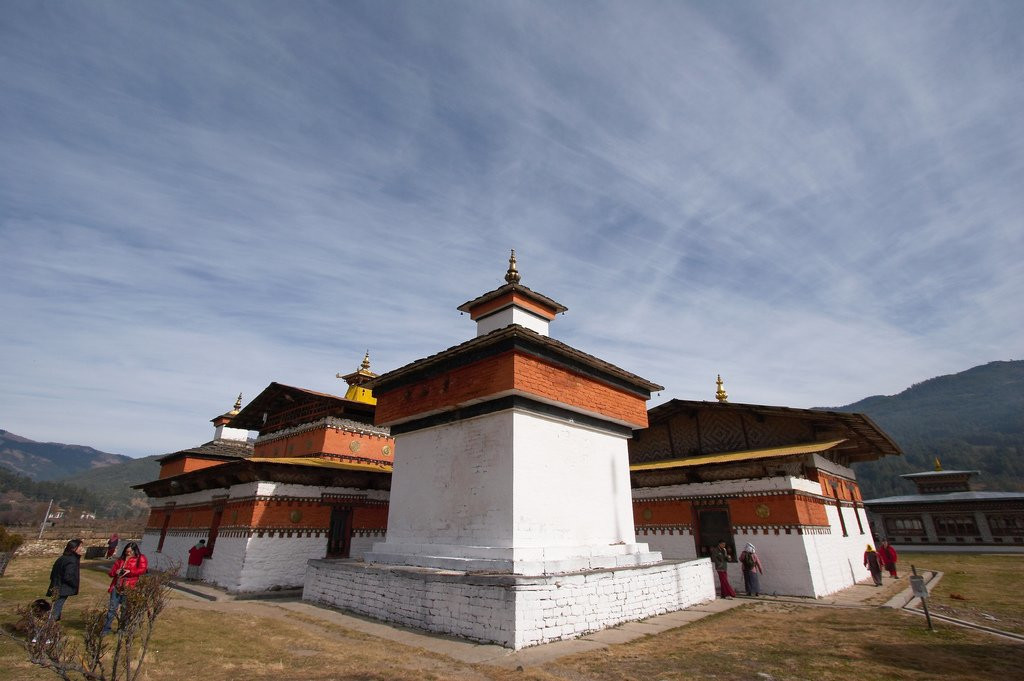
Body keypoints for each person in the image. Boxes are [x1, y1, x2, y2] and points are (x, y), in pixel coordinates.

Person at [100, 541, 148, 636]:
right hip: (117, 585)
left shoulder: (140, 558)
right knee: (112, 608)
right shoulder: (120, 560)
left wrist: (129, 571)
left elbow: (143, 569)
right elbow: (111, 573)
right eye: (127, 551)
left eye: (130, 552)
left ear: (134, 551)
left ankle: (122, 629)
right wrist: (116, 572)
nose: (128, 553)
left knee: (125, 609)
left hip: (130, 586)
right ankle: (106, 628)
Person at [47, 539, 84, 621]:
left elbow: (53, 574)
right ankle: (48, 627)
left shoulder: (63, 558)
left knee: (55, 607)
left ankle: (52, 625)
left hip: (56, 586)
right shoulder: (71, 560)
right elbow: (68, 576)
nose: (82, 549)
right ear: (73, 548)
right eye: (80, 546)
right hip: (62, 588)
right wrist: (75, 584)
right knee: (56, 609)